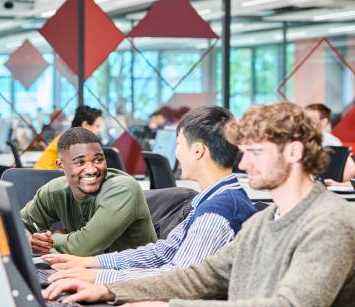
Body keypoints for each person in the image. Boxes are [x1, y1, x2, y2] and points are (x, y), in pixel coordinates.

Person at [44, 102, 355, 306]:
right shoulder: (267, 220)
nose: (243, 163)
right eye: (243, 151)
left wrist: (171, 306)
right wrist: (112, 290)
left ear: (294, 152)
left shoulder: (329, 224)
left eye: (255, 152)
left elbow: (289, 305)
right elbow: (202, 275)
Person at [43, 106, 257, 284]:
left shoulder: (217, 213)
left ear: (198, 151)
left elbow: (177, 277)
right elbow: (164, 252)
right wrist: (92, 262)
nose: (176, 153)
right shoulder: (210, 201)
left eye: (179, 144)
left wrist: (99, 278)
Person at [21, 127, 157, 256]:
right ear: (61, 165)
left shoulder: (123, 190)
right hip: (85, 271)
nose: (91, 169)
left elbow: (83, 247)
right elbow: (19, 224)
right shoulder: (54, 191)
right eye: (80, 162)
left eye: (98, 160)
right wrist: (28, 241)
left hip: (134, 274)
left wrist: (50, 240)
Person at [34, 105, 102, 170]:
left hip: (49, 175)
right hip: (45, 176)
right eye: (97, 126)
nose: (99, 130)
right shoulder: (72, 138)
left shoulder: (72, 135)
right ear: (85, 124)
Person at [305, 103, 355, 185]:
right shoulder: (298, 140)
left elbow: (348, 171)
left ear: (324, 121)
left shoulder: (331, 143)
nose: (306, 123)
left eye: (311, 120)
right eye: (303, 119)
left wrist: (339, 184)